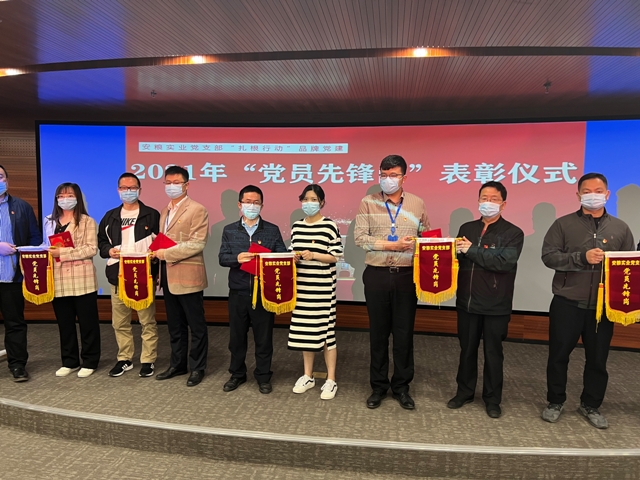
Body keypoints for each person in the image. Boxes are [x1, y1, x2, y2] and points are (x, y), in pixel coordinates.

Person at [541, 173, 634, 429]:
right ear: (578, 195)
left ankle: (590, 404)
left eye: (598, 190)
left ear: (607, 194)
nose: (593, 195)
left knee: (598, 359)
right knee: (558, 356)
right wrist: (581, 257)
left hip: (602, 307)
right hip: (567, 302)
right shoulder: (563, 224)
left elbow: (627, 267)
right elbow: (549, 256)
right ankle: (555, 401)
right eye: (587, 191)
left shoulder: (620, 228)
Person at [354, 154, 429, 410]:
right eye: (384, 175)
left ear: (404, 177)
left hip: (407, 276)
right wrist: (391, 245)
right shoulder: (368, 202)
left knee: (404, 334)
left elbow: (426, 236)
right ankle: (378, 387)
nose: (388, 179)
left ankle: (401, 387)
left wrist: (425, 244)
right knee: (378, 334)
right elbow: (360, 239)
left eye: (393, 175)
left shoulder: (417, 203)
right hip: (377, 274)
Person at [447, 181, 524, 419]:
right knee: (467, 350)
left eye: (493, 199)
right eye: (484, 198)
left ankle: (492, 399)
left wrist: (471, 250)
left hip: (496, 304)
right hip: (467, 302)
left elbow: (504, 263)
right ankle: (464, 392)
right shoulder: (467, 228)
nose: (487, 202)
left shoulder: (513, 233)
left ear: (503, 204)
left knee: (493, 353)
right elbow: (457, 259)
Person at [218, 185, 286, 394]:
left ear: (262, 205)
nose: (252, 206)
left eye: (256, 203)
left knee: (263, 338)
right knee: (236, 338)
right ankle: (237, 374)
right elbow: (222, 258)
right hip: (238, 292)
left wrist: (271, 258)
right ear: (240, 204)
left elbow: (281, 255)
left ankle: (263, 376)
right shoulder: (229, 229)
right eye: (248, 202)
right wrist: (237, 258)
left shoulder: (271, 229)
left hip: (263, 293)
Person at [97, 173, 160, 378]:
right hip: (118, 275)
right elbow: (101, 242)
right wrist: (108, 250)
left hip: (143, 276)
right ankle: (124, 358)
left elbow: (161, 243)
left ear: (140, 190)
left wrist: (156, 265)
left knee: (147, 321)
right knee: (120, 322)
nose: (128, 191)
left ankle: (148, 360)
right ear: (118, 190)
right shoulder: (110, 216)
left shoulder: (152, 215)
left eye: (132, 188)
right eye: (124, 188)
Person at [152, 166, 209, 387]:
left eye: (176, 183)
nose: (171, 186)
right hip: (167, 275)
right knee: (175, 325)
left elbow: (197, 243)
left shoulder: (197, 209)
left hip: (189, 275)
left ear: (187, 185)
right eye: (168, 183)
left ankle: (197, 368)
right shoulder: (164, 211)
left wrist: (164, 253)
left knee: (196, 326)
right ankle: (177, 364)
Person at [288, 184, 343, 400]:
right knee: (305, 332)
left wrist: (315, 255)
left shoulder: (329, 226)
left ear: (322, 202)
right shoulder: (296, 226)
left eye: (313, 199)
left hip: (322, 288)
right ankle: (307, 375)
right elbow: (292, 252)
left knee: (326, 333)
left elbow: (335, 256)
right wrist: (294, 257)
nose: (309, 203)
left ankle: (331, 379)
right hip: (302, 287)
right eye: (305, 199)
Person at [44, 183, 101, 378]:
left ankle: (90, 361)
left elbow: (91, 249)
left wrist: (63, 253)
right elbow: (47, 246)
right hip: (58, 279)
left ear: (77, 198)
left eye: (69, 195)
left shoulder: (87, 221)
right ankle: (70, 361)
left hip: (82, 279)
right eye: (61, 195)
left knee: (88, 323)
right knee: (65, 324)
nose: (64, 199)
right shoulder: (49, 221)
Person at [0, 165, 42, 382]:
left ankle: (17, 365)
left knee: (14, 323)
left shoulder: (22, 207)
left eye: (0, 176)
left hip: (12, 276)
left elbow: (35, 239)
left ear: (7, 180)